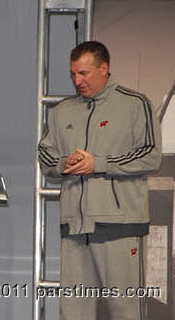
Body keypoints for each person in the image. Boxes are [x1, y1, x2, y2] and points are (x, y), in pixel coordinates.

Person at [38, 41, 161, 320]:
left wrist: (99, 164)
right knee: (73, 311)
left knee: (125, 310)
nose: (77, 81)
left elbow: (150, 156)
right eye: (73, 74)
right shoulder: (62, 111)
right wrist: (63, 164)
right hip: (75, 227)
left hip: (120, 225)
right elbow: (45, 156)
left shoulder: (135, 104)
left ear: (104, 68)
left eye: (84, 73)